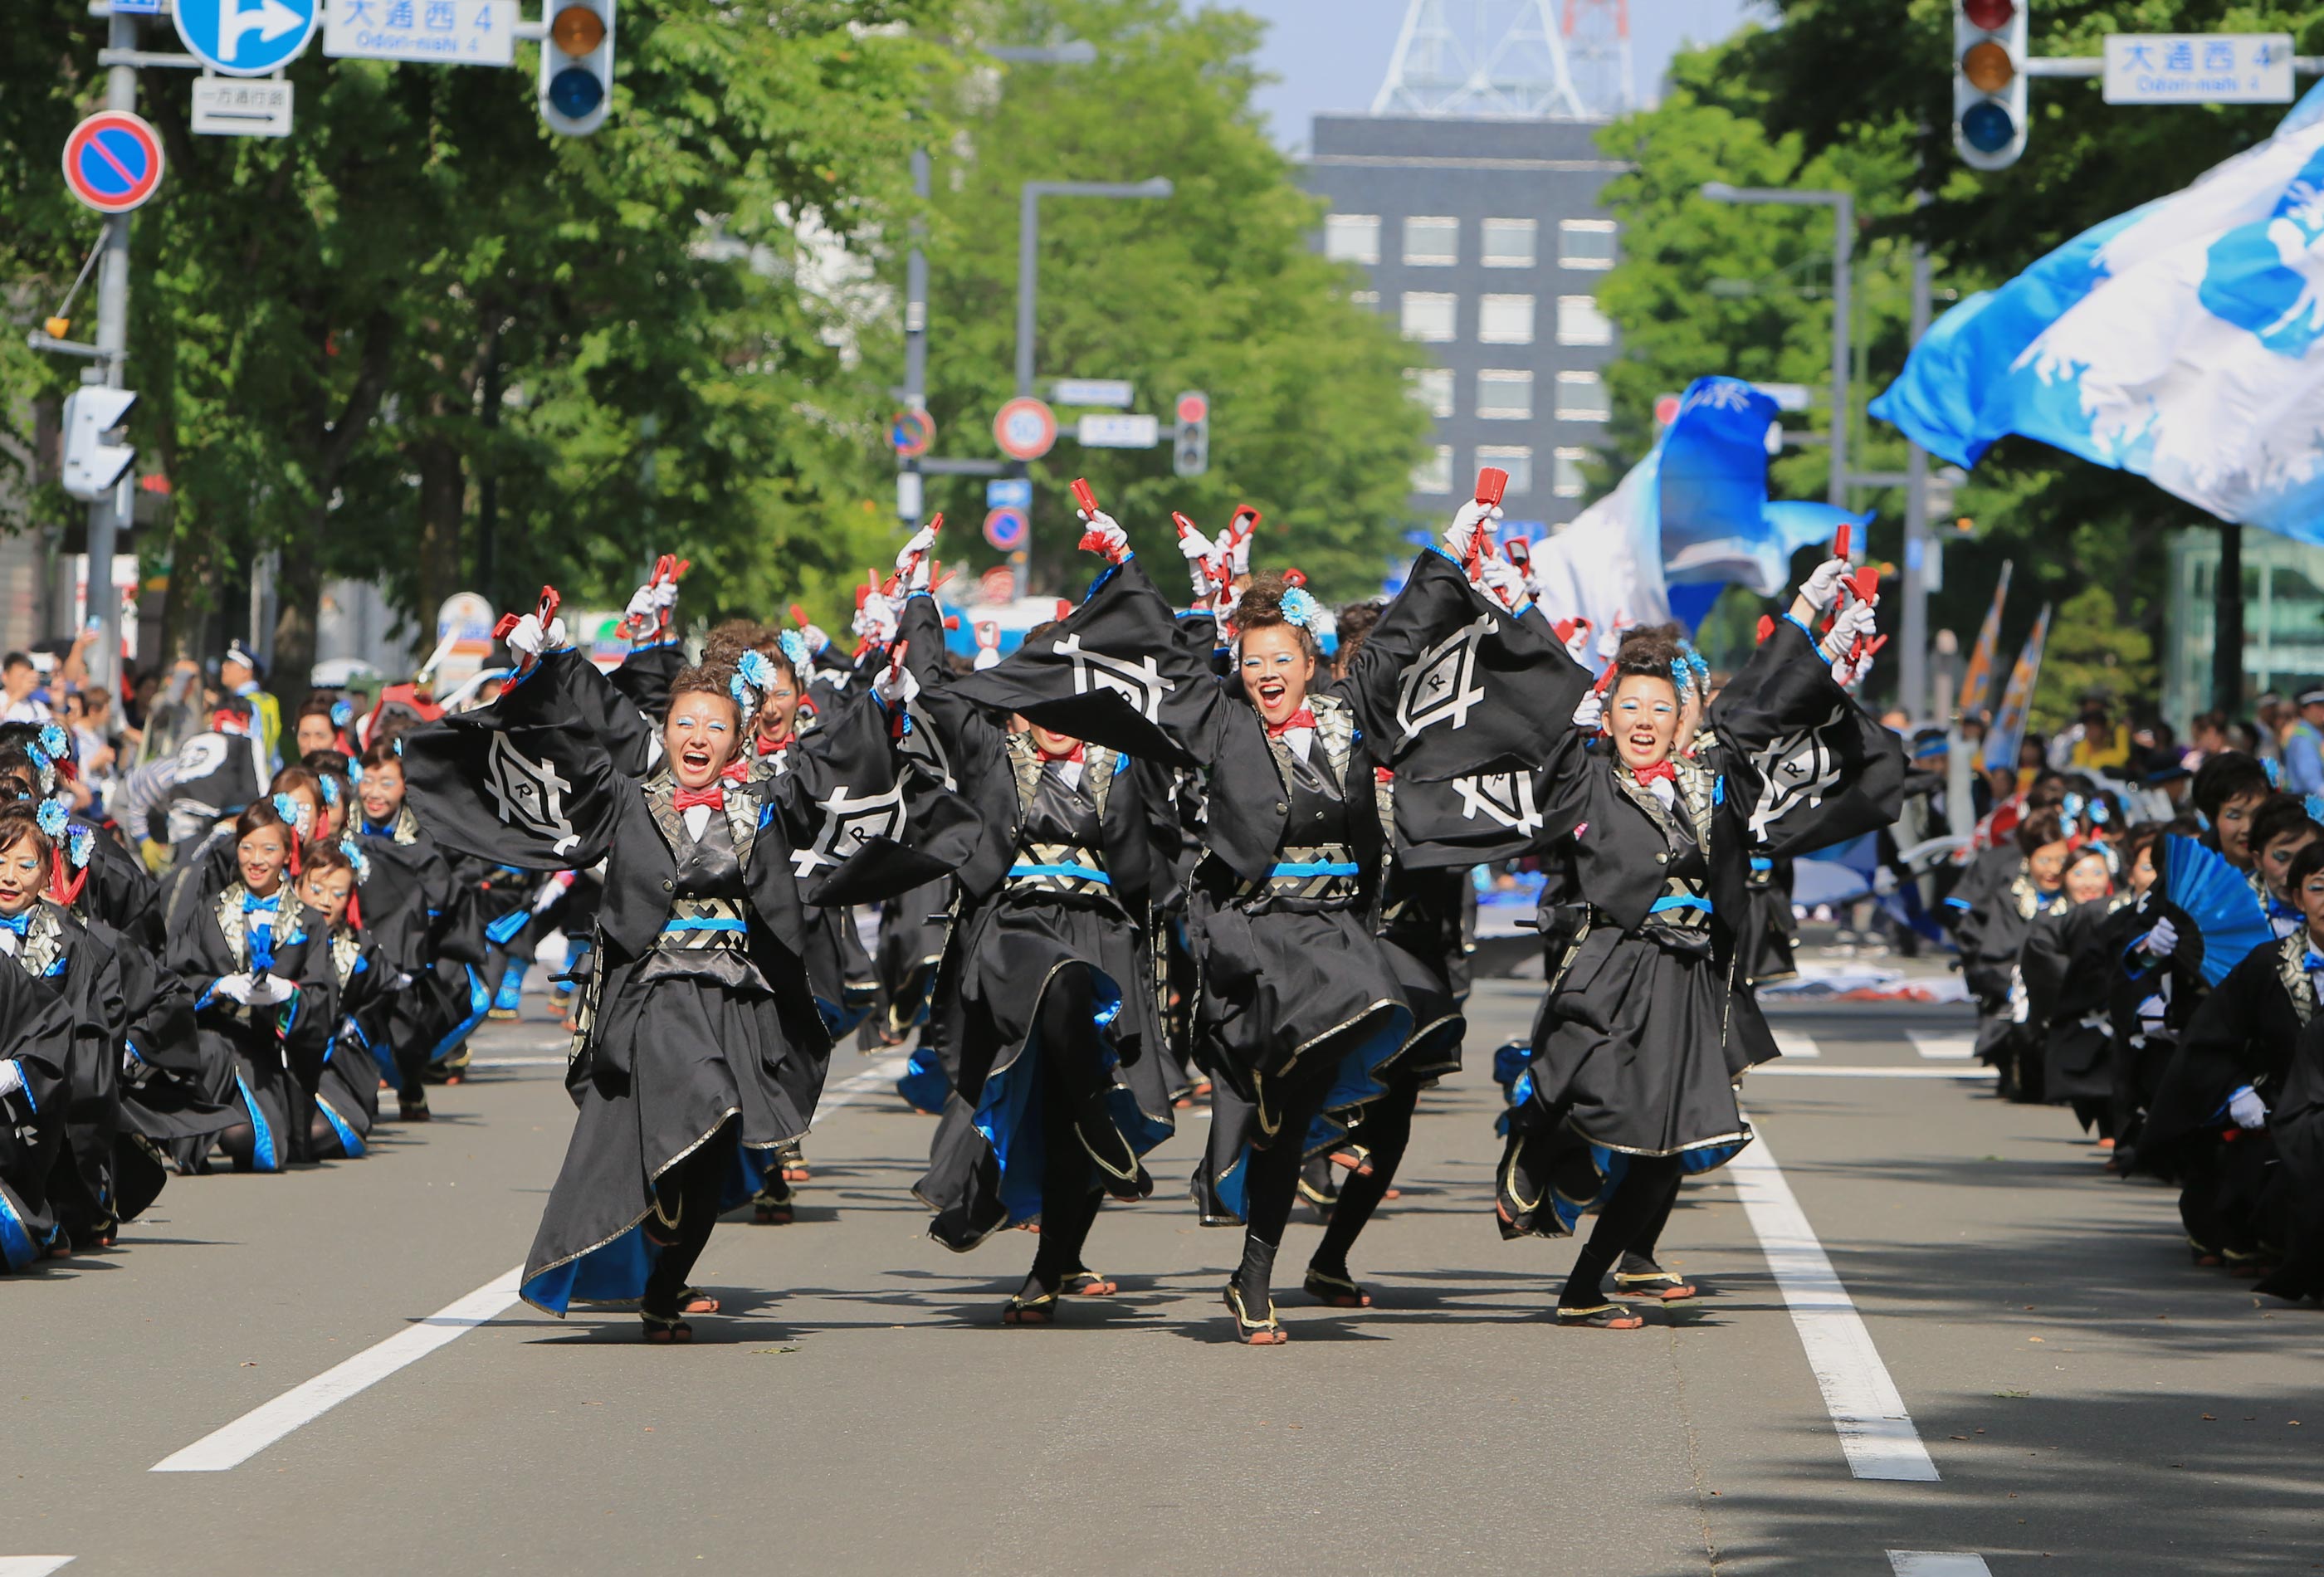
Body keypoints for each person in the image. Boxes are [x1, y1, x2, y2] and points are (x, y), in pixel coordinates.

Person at [403, 592, 960, 1342]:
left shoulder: (765, 797)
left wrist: (882, 704)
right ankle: (658, 1195)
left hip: (738, 990)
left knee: (718, 1146)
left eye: (715, 727)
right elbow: (594, 723)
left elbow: (834, 766)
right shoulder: (627, 795)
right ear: (663, 732)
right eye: (684, 724)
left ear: (738, 740)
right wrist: (557, 658)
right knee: (704, 1087)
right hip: (654, 988)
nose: (697, 738)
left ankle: (664, 1287)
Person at [1493, 559, 1903, 1328]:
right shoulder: (1583, 775)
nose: (1644, 721)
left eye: (1663, 707)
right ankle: (1535, 1143)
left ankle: (1584, 1286)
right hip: (1608, 970)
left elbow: (1762, 702)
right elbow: (1533, 707)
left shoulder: (1713, 774)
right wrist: (1511, 601)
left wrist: (1813, 618)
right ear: (1606, 714)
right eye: (1629, 707)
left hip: (1692, 978)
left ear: (1688, 717)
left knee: (1667, 1149)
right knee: (1586, 1092)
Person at [891, 530, 1178, 1323]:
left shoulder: (1127, 759)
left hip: (1105, 932)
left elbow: (1190, 686)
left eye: (1071, 697)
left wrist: (1131, 571)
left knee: (1060, 1112)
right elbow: (929, 687)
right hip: (1015, 932)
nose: (1056, 715)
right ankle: (1095, 1121)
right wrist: (917, 597)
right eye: (1038, 694)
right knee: (1056, 989)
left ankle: (1050, 1269)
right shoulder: (989, 749)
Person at [162, 797, 333, 1174]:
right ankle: (184, 1129)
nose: (256, 859)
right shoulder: (209, 912)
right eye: (247, 847)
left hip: (267, 1053)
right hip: (212, 1045)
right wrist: (219, 987)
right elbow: (174, 982)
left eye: (269, 849)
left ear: (288, 853)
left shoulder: (307, 922)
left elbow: (323, 995)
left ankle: (209, 1123)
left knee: (258, 1145)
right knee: (209, 1050)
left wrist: (289, 995)